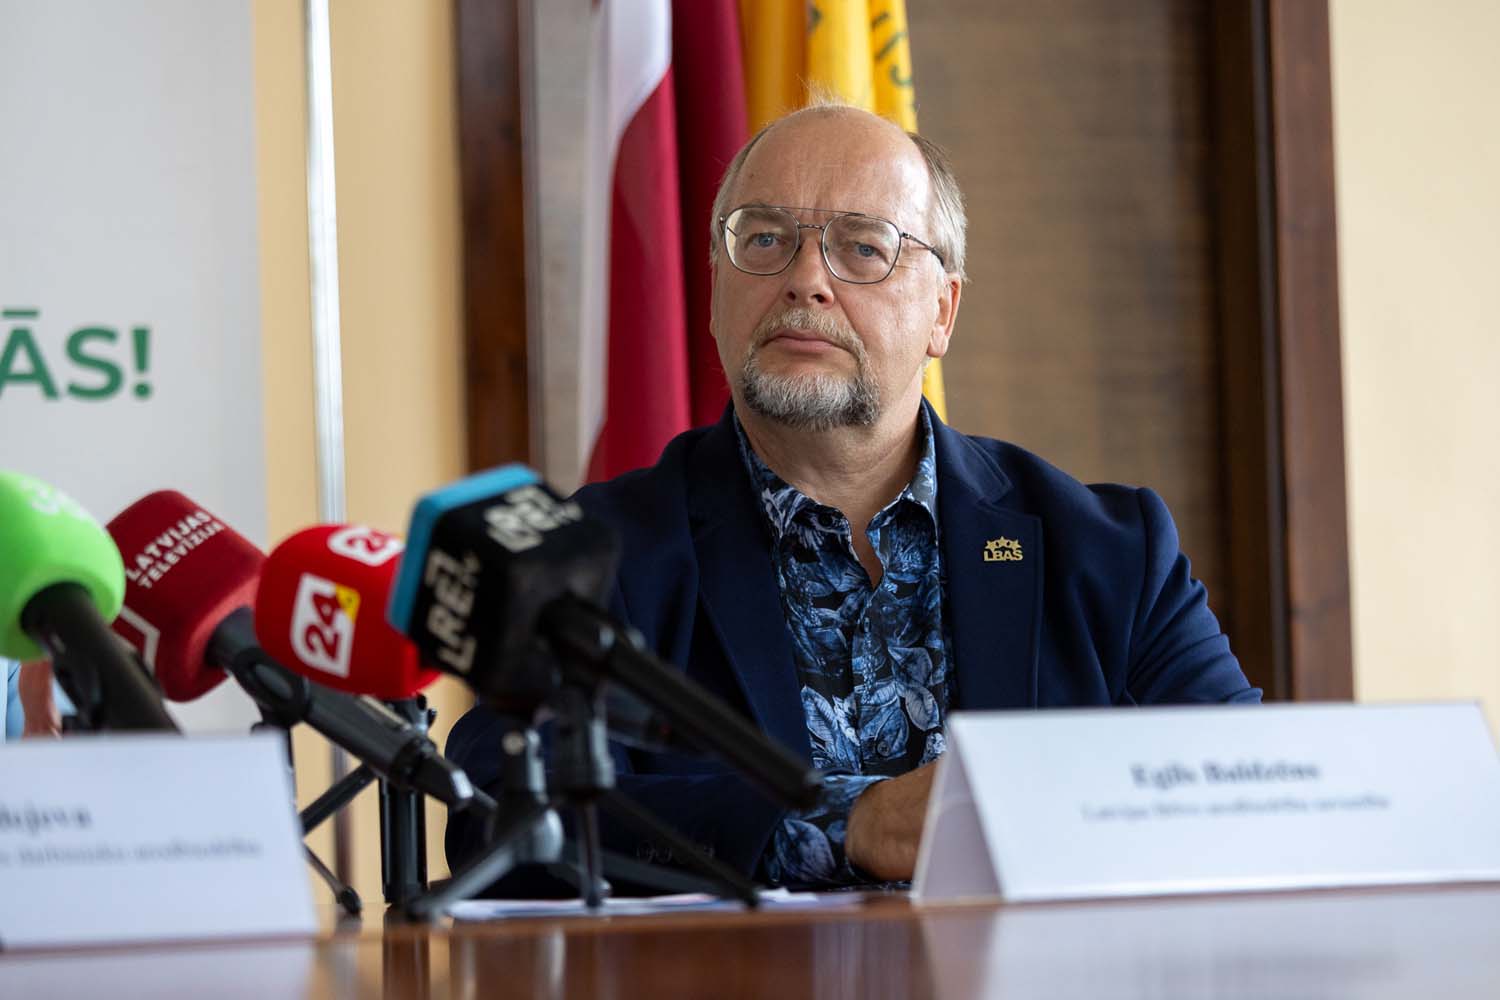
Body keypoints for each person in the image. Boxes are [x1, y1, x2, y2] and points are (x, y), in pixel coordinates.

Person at [446, 102, 1259, 890]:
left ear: (942, 312)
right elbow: (495, 814)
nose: (805, 280)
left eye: (864, 248)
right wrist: (850, 825)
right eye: (765, 239)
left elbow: (1247, 798)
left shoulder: (1112, 553)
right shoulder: (600, 554)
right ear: (716, 290)